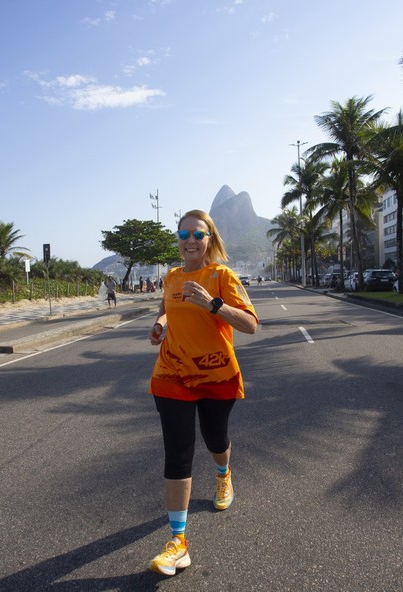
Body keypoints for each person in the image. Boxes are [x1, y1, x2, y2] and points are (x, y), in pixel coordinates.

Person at [146, 209, 259, 576]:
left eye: (198, 234)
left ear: (210, 239)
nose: (190, 240)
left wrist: (212, 303)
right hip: (172, 374)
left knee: (215, 438)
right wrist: (160, 323)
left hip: (215, 374)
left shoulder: (221, 276)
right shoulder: (172, 277)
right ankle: (178, 543)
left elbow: (251, 325)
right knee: (177, 454)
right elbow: (167, 306)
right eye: (184, 235)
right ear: (177, 240)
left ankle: (223, 474)